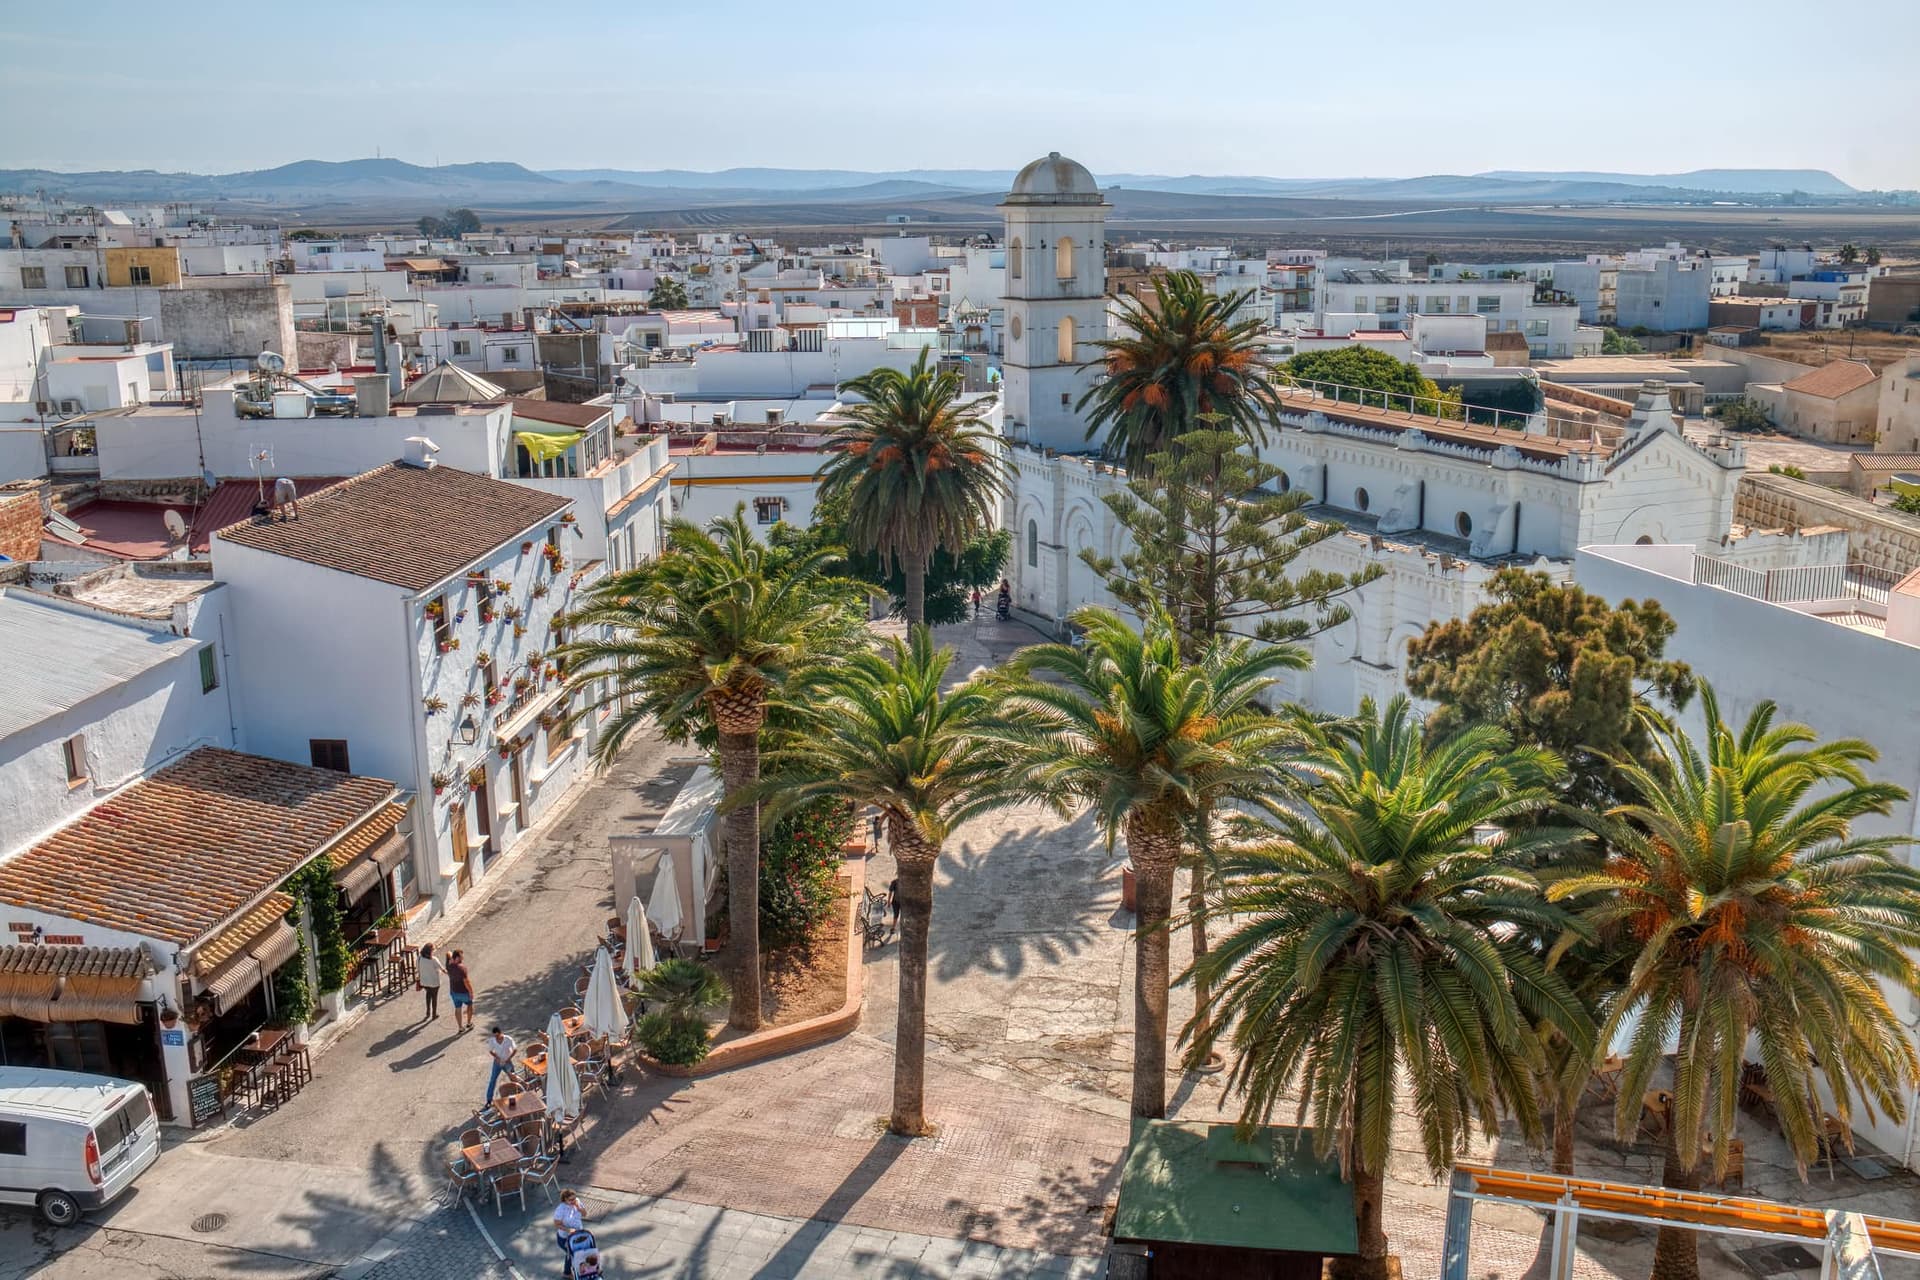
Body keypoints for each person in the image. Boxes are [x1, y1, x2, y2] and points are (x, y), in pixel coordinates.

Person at [553, 1190, 586, 1277]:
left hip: (578, 1234)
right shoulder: (560, 1209)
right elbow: (557, 1224)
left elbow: (585, 1214)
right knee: (572, 1254)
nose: (573, 1201)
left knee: (573, 1254)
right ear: (565, 1200)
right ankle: (567, 1273)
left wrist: (579, 1207)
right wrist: (568, 1230)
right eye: (571, 1200)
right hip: (565, 1238)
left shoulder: (577, 1202)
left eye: (574, 1198)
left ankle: (569, 1272)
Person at [482, 1026, 516, 1104]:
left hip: (507, 1062)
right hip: (497, 1063)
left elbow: (515, 1049)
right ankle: (489, 1100)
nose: (496, 1037)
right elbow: (491, 1051)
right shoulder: (492, 1040)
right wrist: (496, 1057)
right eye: (495, 1036)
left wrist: (508, 1058)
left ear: (501, 1033)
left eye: (498, 1036)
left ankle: (520, 1093)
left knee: (513, 1077)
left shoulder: (508, 1039)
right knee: (492, 1080)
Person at [445, 949, 473, 1032]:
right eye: (461, 956)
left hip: (454, 992)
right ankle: (469, 1023)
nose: (463, 958)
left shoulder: (448, 965)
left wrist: (451, 957)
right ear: (457, 958)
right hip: (464, 992)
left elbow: (448, 953)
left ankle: (460, 1027)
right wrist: (471, 992)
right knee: (470, 1005)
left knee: (458, 1008)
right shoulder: (462, 968)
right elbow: (466, 982)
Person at [416, 942, 443, 1021]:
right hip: (434, 982)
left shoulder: (419, 958)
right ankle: (434, 1014)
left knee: (428, 994)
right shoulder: (433, 960)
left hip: (424, 982)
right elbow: (441, 968)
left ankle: (428, 1011)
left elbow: (417, 968)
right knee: (434, 998)